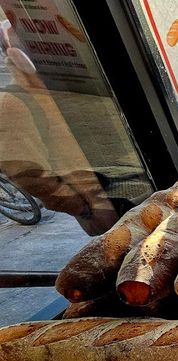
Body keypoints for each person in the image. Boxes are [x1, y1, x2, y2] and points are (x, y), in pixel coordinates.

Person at [0, 20, 123, 234]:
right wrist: (78, 205)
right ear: (18, 56)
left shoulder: (64, 86)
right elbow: (28, 173)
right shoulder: (13, 103)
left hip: (123, 186)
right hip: (98, 205)